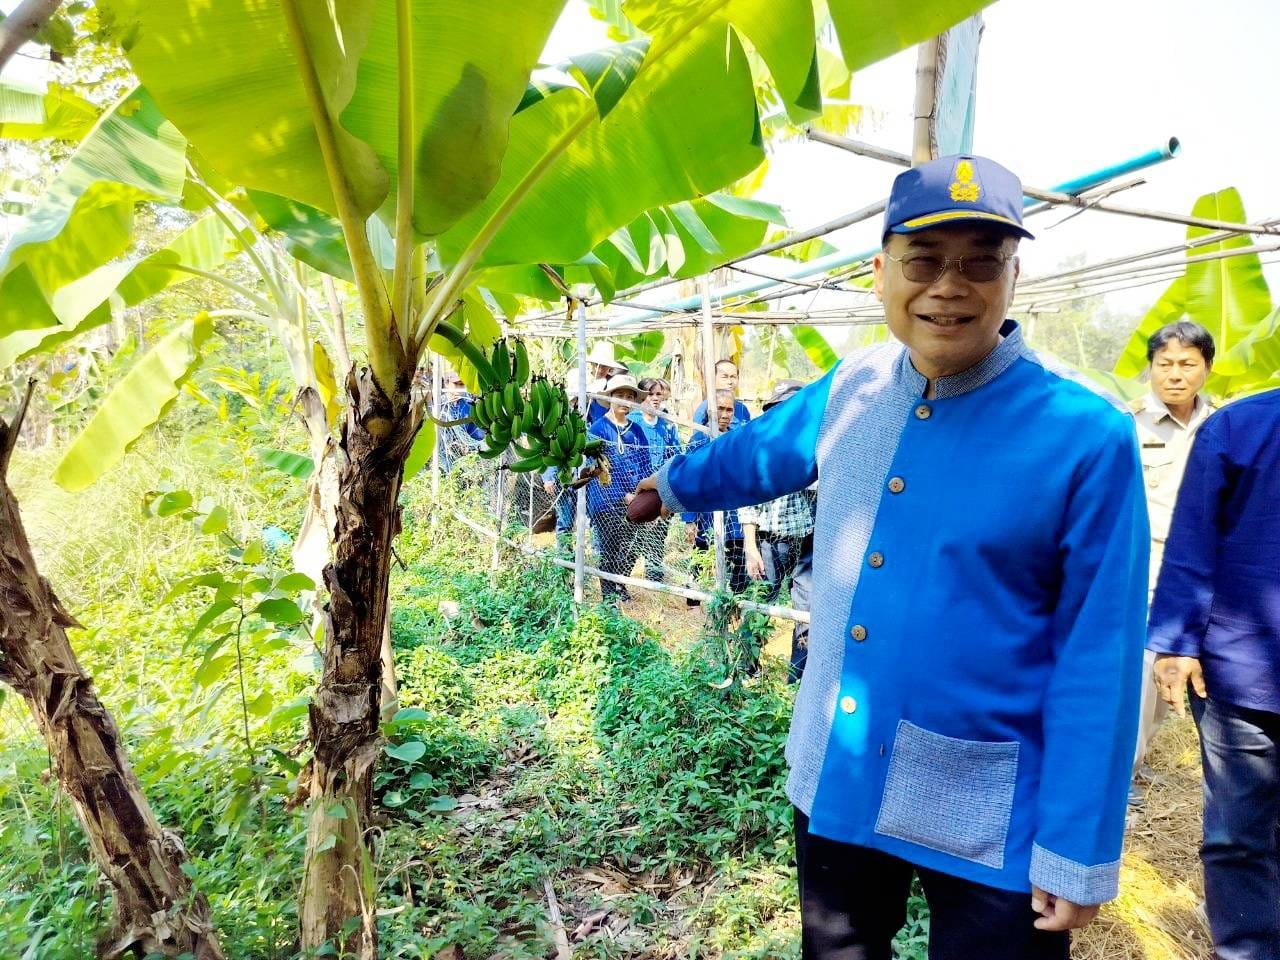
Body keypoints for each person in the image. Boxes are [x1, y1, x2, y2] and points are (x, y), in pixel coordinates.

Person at [638, 154, 1149, 959]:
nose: (950, 288)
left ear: (1013, 277)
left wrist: (1076, 847)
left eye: (981, 264)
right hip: (840, 763)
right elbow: (762, 451)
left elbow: (1102, 652)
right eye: (923, 262)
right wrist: (670, 485)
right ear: (880, 275)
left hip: (990, 808)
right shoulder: (855, 387)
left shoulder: (1086, 434)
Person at [1147, 387, 1280, 960]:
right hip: (1242, 675)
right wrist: (1176, 644)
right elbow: (1193, 538)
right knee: (1237, 834)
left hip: (1240, 665)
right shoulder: (1239, 426)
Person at [1131, 320, 1216, 789]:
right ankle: (1123, 775)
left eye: (1187, 364)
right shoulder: (1126, 423)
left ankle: (1138, 759)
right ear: (1151, 367)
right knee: (1141, 676)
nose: (1175, 374)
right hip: (1146, 568)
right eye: (1165, 364)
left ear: (1207, 368)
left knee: (1172, 677)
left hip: (1203, 574)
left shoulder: (1222, 424)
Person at [740, 380, 814, 602]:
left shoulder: (813, 446)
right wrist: (751, 548)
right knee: (762, 600)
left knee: (806, 602)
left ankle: (801, 628)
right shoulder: (759, 451)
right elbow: (748, 504)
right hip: (771, 542)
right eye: (777, 409)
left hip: (807, 540)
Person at [584, 374, 648, 604]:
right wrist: (623, 495)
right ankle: (609, 597)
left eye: (629, 397)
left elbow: (645, 463)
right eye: (619, 395)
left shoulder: (637, 430)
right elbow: (598, 468)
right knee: (610, 547)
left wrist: (643, 492)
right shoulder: (598, 429)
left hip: (635, 498)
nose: (624, 400)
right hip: (606, 499)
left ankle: (620, 583)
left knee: (633, 545)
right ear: (610, 397)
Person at [682, 389, 749, 595]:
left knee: (738, 560)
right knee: (702, 557)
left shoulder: (738, 438)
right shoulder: (699, 439)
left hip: (735, 514)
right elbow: (688, 480)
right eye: (720, 409)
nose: (725, 414)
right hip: (707, 514)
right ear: (710, 411)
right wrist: (690, 519)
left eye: (729, 410)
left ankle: (735, 602)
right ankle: (694, 601)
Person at [629, 378, 682, 582]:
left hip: (661, 488)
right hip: (637, 488)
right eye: (650, 394)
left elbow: (675, 454)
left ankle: (654, 580)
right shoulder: (632, 421)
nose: (655, 398)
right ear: (641, 397)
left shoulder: (666, 424)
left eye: (658, 394)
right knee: (632, 538)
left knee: (658, 535)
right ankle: (621, 581)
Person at [692, 359, 752, 425]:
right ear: (713, 379)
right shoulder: (706, 408)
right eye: (724, 377)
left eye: (733, 377)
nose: (730, 382)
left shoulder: (742, 409)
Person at [584, 341, 626, 423]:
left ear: (610, 368)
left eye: (604, 366)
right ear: (592, 364)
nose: (600, 370)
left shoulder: (613, 387)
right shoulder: (583, 383)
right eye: (597, 365)